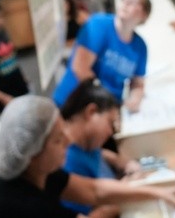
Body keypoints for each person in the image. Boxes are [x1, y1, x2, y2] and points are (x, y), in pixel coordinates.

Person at [0, 95, 175, 218]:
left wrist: (158, 192)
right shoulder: (27, 206)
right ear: (34, 153)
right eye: (58, 140)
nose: (68, 142)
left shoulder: (37, 172)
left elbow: (94, 190)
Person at [52, 0, 151, 112]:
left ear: (144, 15)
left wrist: (135, 98)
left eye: (133, 2)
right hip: (74, 104)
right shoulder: (98, 24)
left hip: (106, 110)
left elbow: (138, 82)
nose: (126, 3)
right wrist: (112, 103)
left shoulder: (140, 47)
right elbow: (80, 68)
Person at [60, 80, 142, 217]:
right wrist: (125, 191)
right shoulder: (66, 162)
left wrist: (119, 160)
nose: (111, 131)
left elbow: (98, 153)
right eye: (110, 122)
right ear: (91, 112)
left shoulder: (86, 141)